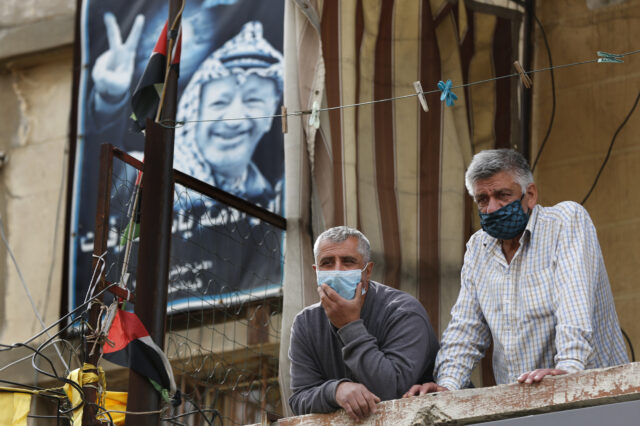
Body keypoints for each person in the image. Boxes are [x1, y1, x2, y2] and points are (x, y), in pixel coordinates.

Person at [404, 149, 628, 397]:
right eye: (482, 199)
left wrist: (568, 367)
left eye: (503, 195)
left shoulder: (565, 221)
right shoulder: (478, 247)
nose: (492, 208)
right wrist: (448, 384)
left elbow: (573, 304)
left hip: (595, 395)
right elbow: (466, 328)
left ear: (530, 195)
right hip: (521, 403)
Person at [288, 226, 439, 420]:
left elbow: (391, 391)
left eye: (348, 262)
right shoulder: (305, 323)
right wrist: (336, 391)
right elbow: (299, 398)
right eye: (327, 263)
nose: (337, 271)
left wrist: (349, 326)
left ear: (367, 271)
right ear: (316, 272)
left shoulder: (403, 312)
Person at [173, 21, 283, 212]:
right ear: (194, 112)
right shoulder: (151, 179)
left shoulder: (271, 192)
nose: (234, 119)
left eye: (253, 101)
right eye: (219, 103)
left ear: (270, 116)